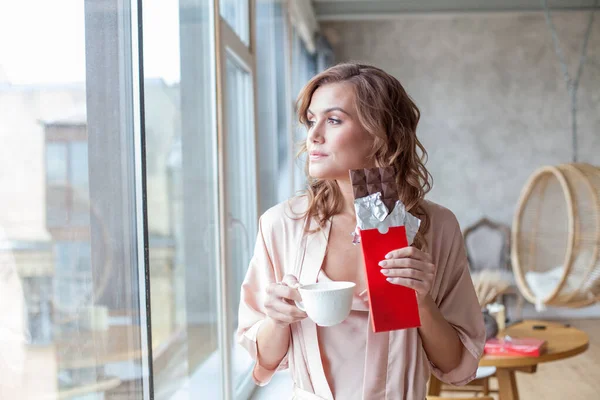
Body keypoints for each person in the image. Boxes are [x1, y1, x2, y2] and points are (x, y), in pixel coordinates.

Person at [237, 62, 485, 399]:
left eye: (334, 120)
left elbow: (456, 365)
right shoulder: (281, 225)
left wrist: (422, 303)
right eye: (311, 120)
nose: (313, 135)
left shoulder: (436, 227)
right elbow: (264, 360)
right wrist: (277, 320)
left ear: (380, 134)